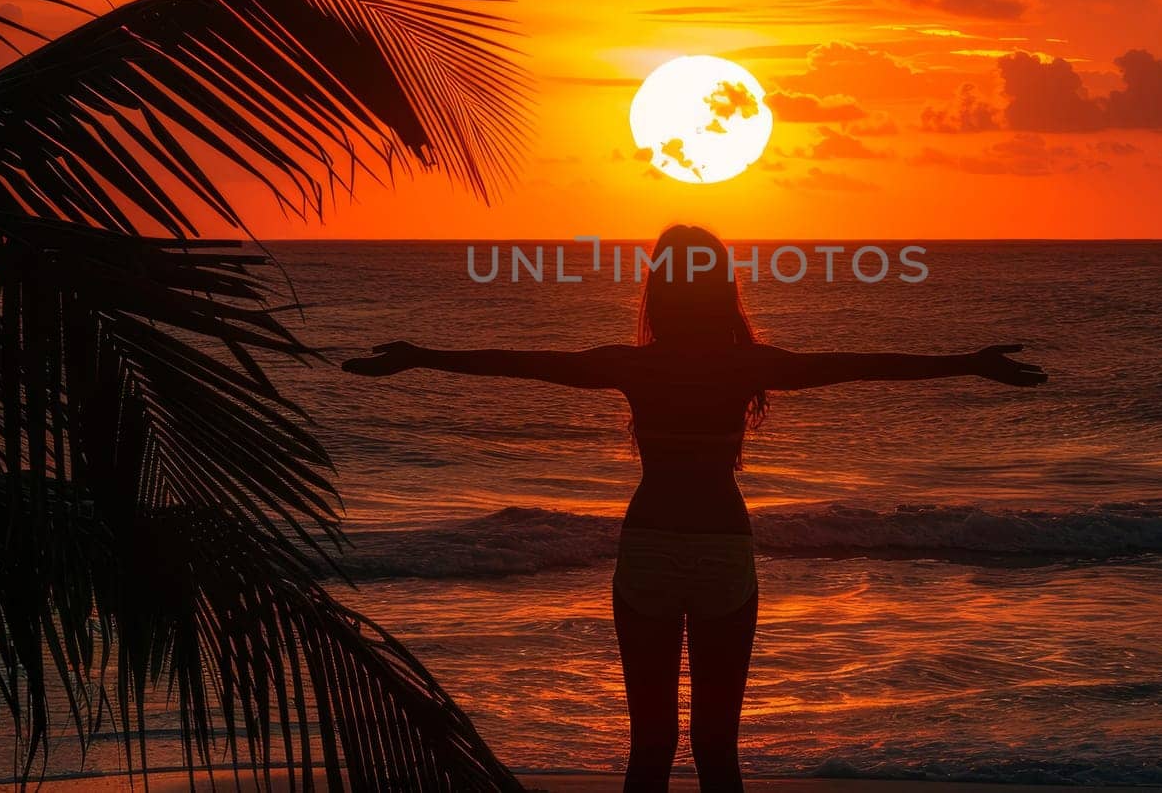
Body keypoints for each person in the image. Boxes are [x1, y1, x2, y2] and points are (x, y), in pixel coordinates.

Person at [342, 224, 1047, 793]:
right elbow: (864, 361)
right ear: (721, 288)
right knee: (716, 751)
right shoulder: (749, 365)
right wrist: (968, 361)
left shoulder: (635, 364)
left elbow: (519, 360)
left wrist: (419, 354)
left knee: (648, 750)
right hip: (721, 550)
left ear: (658, 288)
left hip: (648, 545)